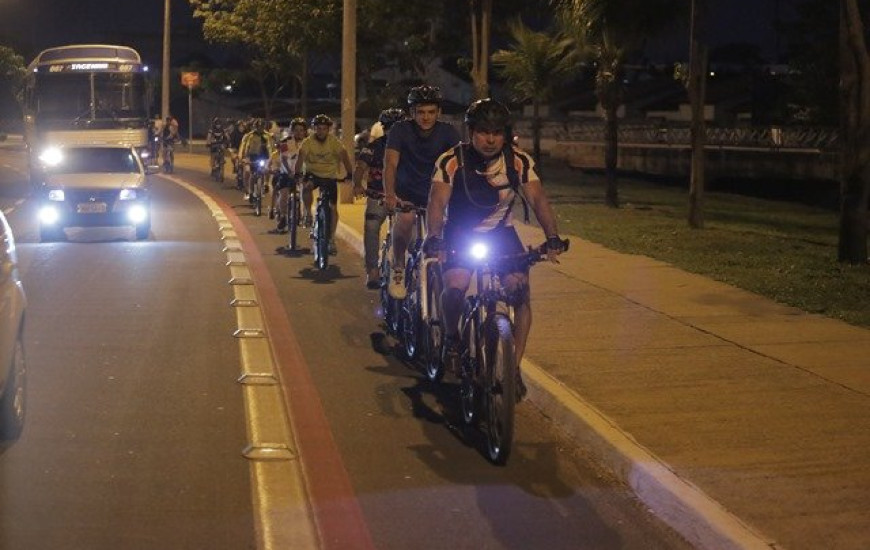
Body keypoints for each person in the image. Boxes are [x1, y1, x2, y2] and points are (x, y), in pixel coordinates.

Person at [425, 98, 566, 401]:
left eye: (497, 132)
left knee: (520, 293)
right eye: (483, 132)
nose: (490, 139)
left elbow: (538, 200)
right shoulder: (452, 160)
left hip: (502, 234)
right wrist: (434, 238)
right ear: (471, 132)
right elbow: (436, 203)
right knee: (455, 288)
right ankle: (451, 337)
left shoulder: (518, 161)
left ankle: (513, 369)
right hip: (459, 234)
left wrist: (552, 236)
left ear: (505, 134)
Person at [383, 85, 460, 299]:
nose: (426, 117)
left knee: (443, 235)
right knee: (405, 221)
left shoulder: (448, 132)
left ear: (439, 112)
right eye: (421, 112)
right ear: (412, 113)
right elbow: (390, 164)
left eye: (431, 112)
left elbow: (459, 166)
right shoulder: (400, 130)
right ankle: (398, 265)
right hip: (407, 193)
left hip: (437, 195)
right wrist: (390, 194)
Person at [352, 107, 405, 288]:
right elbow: (360, 167)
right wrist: (357, 184)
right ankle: (372, 271)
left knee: (413, 235)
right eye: (388, 127)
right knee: (371, 226)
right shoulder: (373, 147)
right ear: (383, 128)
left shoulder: (411, 148)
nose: (392, 130)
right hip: (378, 195)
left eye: (397, 126)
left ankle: (410, 269)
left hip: (404, 198)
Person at [293, 114, 355, 255]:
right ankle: (308, 213)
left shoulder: (334, 142)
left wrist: (350, 175)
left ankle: (331, 239)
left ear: (328, 130)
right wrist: (297, 174)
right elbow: (300, 159)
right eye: (318, 128)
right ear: (314, 129)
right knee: (306, 186)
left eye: (324, 129)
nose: (321, 131)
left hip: (329, 177)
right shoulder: (307, 142)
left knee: (333, 208)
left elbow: (345, 157)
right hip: (312, 174)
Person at [269, 117, 308, 233]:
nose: (299, 132)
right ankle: (283, 216)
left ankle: (305, 215)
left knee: (305, 192)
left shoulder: (309, 143)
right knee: (284, 193)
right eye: (296, 130)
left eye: (301, 130)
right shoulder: (285, 142)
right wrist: (289, 172)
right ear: (292, 131)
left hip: (303, 173)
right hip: (287, 173)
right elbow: (283, 158)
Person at [238, 118, 276, 201]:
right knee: (248, 172)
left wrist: (271, 159)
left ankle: (265, 184)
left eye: (261, 127)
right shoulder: (249, 136)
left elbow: (271, 149)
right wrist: (242, 158)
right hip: (251, 157)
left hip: (263, 157)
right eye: (258, 127)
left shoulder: (268, 136)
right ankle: (248, 191)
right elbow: (244, 147)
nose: (260, 128)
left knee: (267, 169)